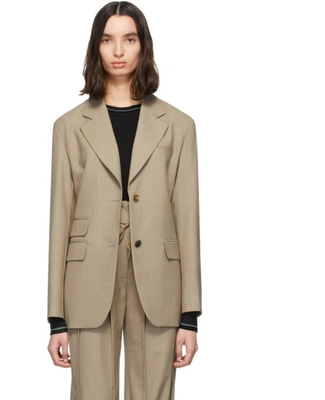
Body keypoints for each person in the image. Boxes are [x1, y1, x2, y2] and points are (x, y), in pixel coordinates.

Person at [47, 2, 202, 399]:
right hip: (87, 280)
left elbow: (187, 220)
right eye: (107, 40)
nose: (118, 51)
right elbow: (60, 221)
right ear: (95, 47)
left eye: (129, 39)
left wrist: (190, 317)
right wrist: (56, 319)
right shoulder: (68, 127)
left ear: (143, 46)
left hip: (159, 282)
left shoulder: (179, 126)